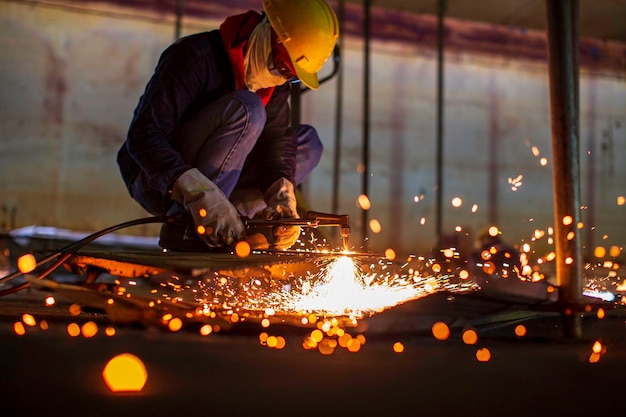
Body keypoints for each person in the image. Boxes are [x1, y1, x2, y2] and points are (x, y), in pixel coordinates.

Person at [116, 0, 339, 252]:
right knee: (247, 108)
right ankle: (189, 224)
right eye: (281, 64)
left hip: (226, 180)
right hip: (158, 180)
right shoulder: (195, 57)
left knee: (309, 143)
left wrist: (282, 193)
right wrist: (199, 195)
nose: (280, 77)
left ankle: (237, 224)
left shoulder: (276, 86)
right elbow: (144, 136)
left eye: (291, 74)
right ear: (267, 30)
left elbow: (274, 140)